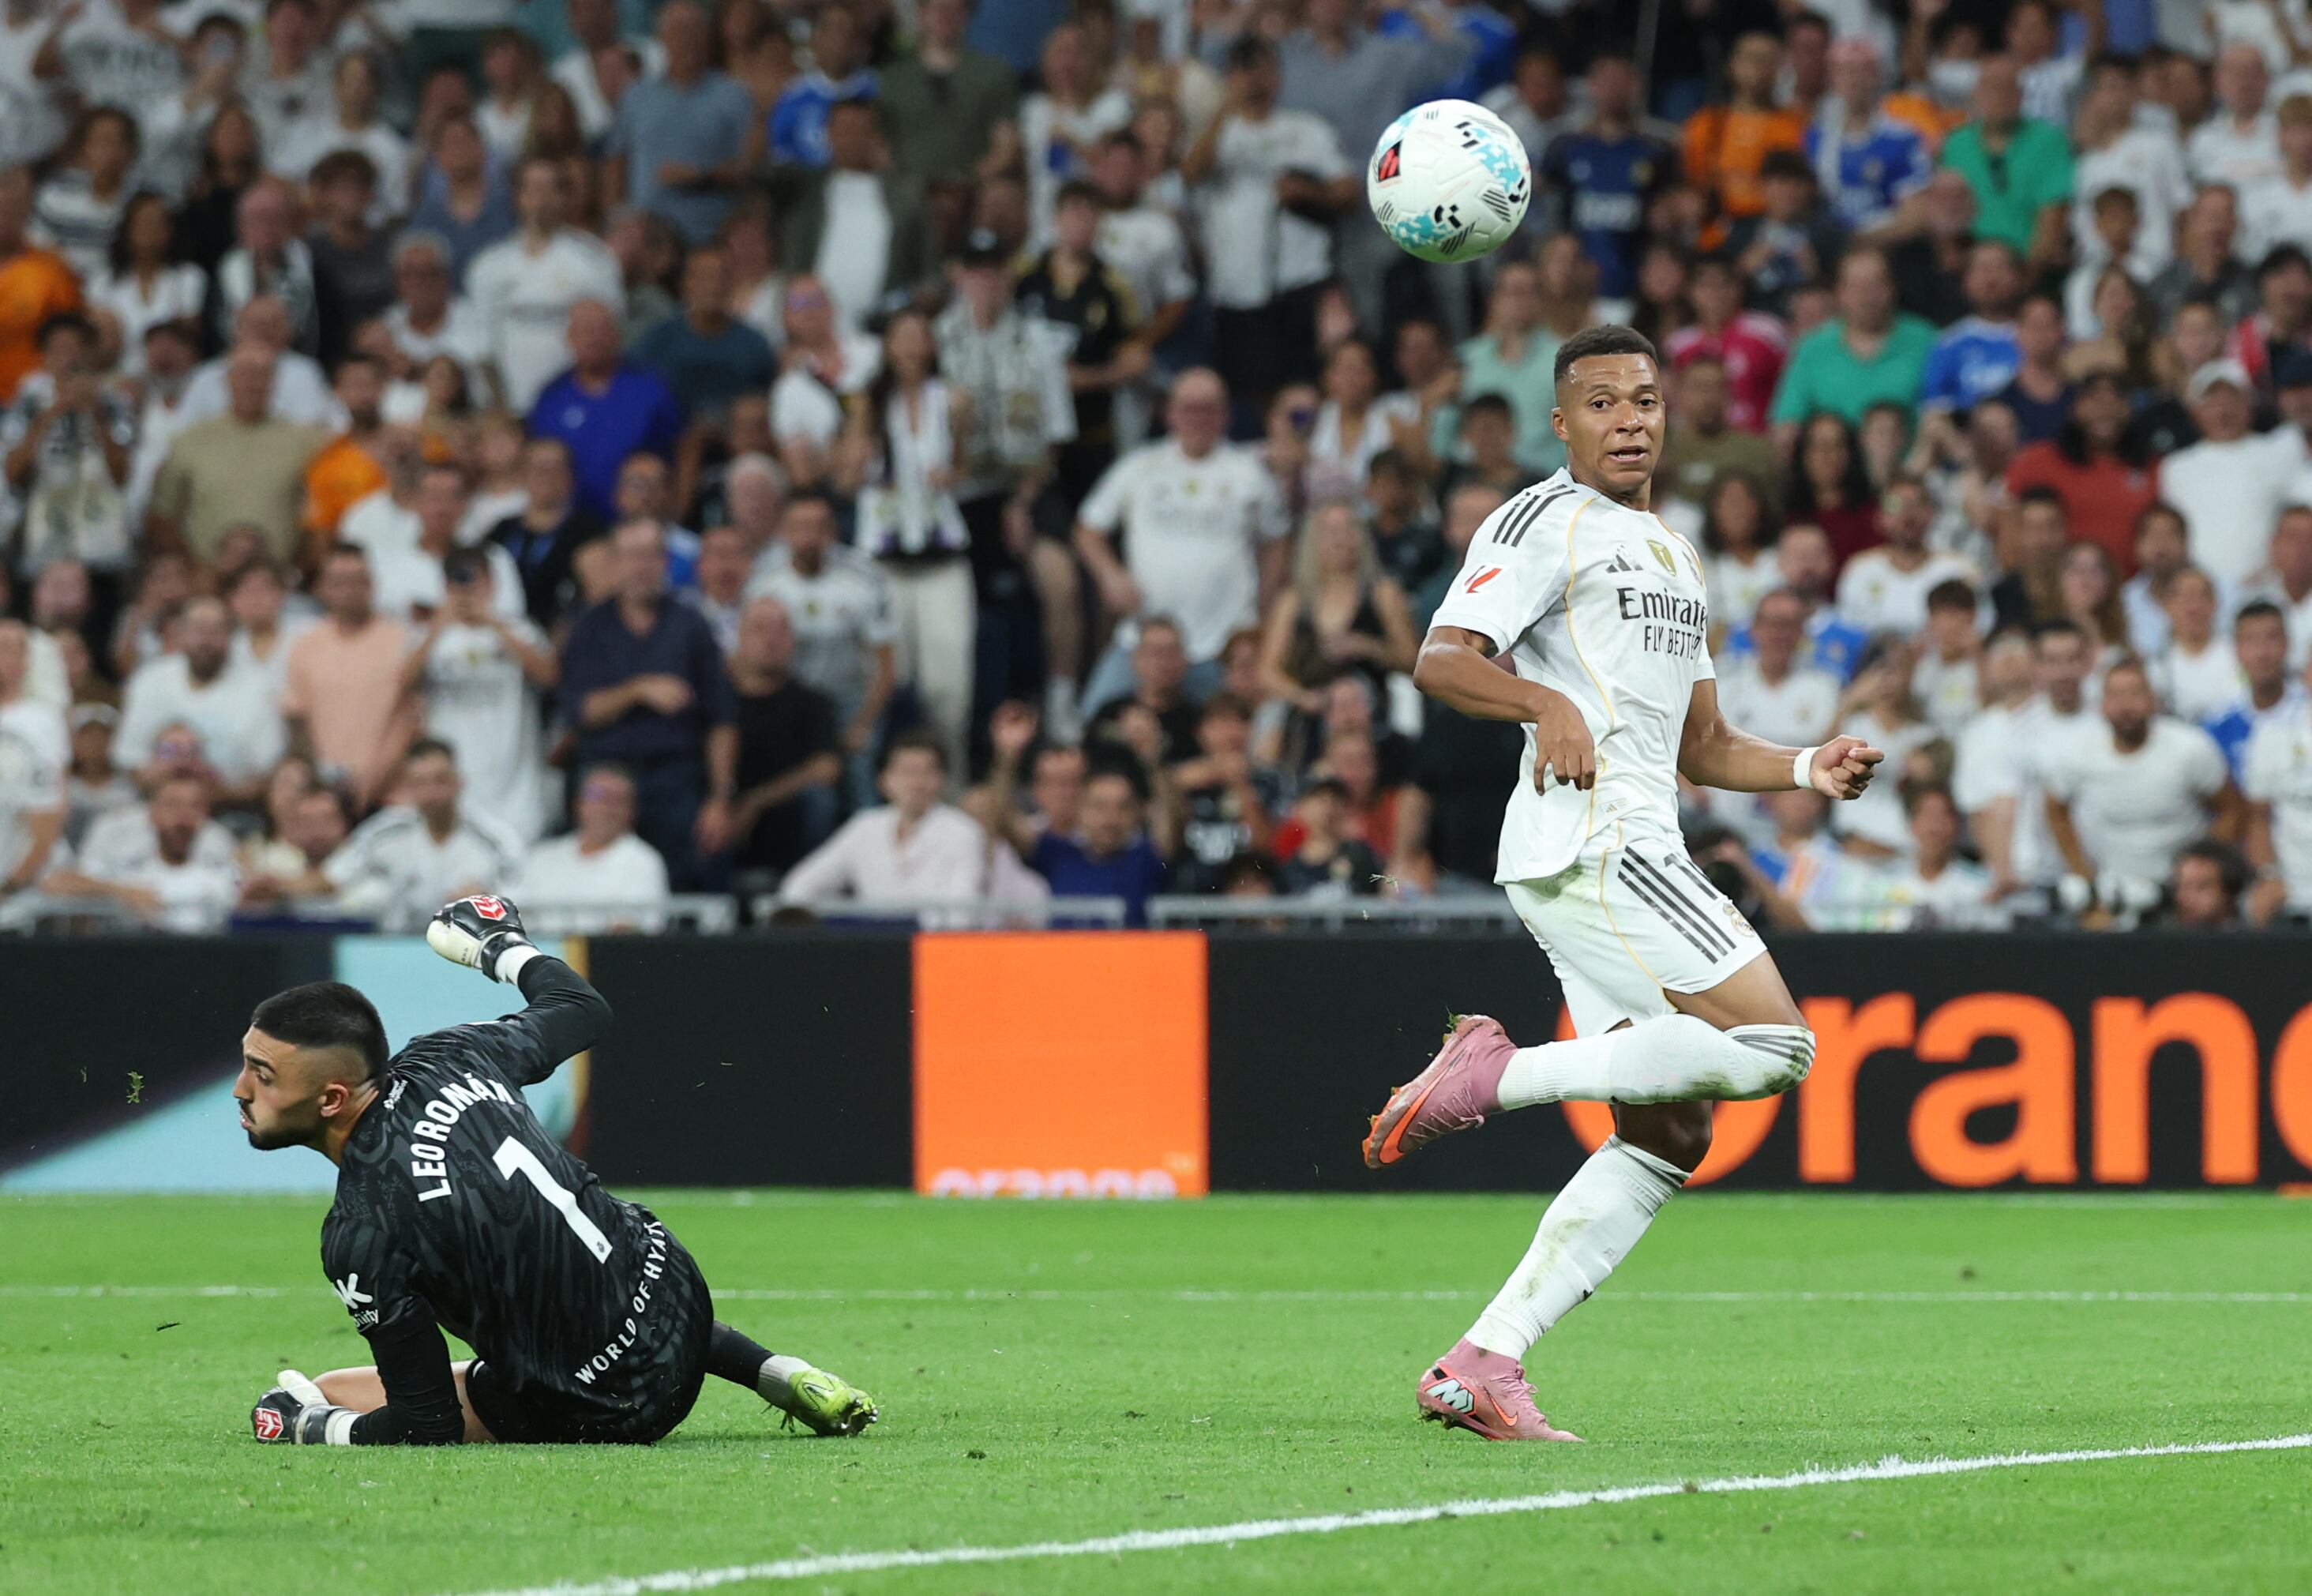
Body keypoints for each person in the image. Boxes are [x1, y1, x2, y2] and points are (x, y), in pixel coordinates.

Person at [1361, 325, 1882, 1441]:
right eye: (1602, 403)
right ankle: (1496, 1073)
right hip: (1601, 842)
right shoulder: (1543, 520)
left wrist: (1804, 766)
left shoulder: (1674, 555)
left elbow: (1704, 746)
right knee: (1781, 1048)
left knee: (1671, 1133)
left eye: (1644, 399)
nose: (1631, 419)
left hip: (1629, 837)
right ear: (1564, 423)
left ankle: (1481, 1361)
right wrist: (1541, 703)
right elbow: (1443, 659)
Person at [237, 895, 876, 1446]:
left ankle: (317, 1409)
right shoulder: (450, 1054)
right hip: (678, 1294)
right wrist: (500, 946)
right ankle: (781, 1371)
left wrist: (310, 1425)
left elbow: (424, 1422)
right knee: (593, 1264)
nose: (240, 1089)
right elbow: (584, 1007)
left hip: (613, 1409)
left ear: (331, 1099)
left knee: (327, 1390)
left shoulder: (361, 1230)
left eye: (261, 1075)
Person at [1075, 368, 1290, 713]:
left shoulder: (1249, 474)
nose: (1198, 418)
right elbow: (1088, 528)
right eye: (1189, 408)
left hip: (1223, 645)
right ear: (1169, 413)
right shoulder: (1140, 466)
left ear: (1225, 415)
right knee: (1094, 720)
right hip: (1141, 642)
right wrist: (1110, 576)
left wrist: (1263, 612)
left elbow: (1277, 542)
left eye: (1209, 408)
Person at [557, 520, 738, 891]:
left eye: (651, 556)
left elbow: (722, 719)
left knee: (704, 857)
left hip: (677, 774)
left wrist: (720, 798)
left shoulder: (691, 625)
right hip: (603, 775)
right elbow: (581, 712)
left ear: (666, 563)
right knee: (592, 872)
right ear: (615, 563)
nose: (642, 567)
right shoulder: (589, 627)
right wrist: (638, 690)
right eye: (632, 556)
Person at [1181, 36, 1352, 407]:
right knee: (1252, 395)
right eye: (1243, 71)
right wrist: (1226, 108)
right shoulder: (1218, 136)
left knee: (1307, 386)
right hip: (1237, 287)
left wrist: (1308, 193)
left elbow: (1349, 192)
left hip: (1301, 279)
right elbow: (1190, 175)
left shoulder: (1306, 130)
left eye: (1261, 70)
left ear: (1277, 74)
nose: (1253, 81)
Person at [2044, 658, 2237, 895]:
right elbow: (2055, 809)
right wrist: (2084, 875)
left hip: (2180, 892)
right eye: (2115, 695)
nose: (2125, 706)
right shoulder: (2079, 753)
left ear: (2153, 700)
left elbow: (2233, 810)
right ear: (2101, 705)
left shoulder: (2191, 748)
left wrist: (2200, 869)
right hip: (2110, 889)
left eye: (2135, 694)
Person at [745, 492, 895, 791]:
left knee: (861, 786)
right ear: (783, 532)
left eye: (819, 527)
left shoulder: (864, 578)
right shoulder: (763, 581)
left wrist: (864, 723)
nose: (810, 537)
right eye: (800, 527)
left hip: (853, 699)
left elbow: (886, 665)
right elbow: (749, 654)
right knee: (809, 795)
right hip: (791, 701)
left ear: (833, 533)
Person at [779, 731, 1012, 903]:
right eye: (907, 772)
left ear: (941, 780)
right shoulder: (865, 827)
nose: (917, 783)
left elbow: (964, 911)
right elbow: (800, 887)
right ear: (885, 781)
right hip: (872, 950)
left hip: (934, 954)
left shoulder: (964, 832)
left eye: (927, 772)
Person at [467, 158, 623, 413]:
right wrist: (499, 411)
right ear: (518, 197)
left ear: (564, 197)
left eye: (550, 189)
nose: (541, 199)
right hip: (509, 406)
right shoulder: (489, 266)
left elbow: (610, 336)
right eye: (533, 189)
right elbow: (482, 347)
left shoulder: (595, 261)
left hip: (576, 404)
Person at [604, 1, 752, 248]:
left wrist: (702, 175)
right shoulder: (637, 96)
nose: (686, 41)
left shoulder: (733, 95)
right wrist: (615, 215)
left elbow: (750, 168)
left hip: (712, 238)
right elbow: (616, 162)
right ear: (662, 38)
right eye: (677, 32)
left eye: (694, 31)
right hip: (647, 239)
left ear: (707, 37)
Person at [527, 299, 685, 526]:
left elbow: (684, 448)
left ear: (617, 335)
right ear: (569, 337)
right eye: (585, 331)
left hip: (639, 524)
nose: (593, 338)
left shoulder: (651, 390)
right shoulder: (551, 397)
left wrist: (679, 508)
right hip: (570, 529)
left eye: (601, 329)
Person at [282, 543, 415, 808]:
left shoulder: (403, 641)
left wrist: (370, 782)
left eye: (358, 580)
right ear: (321, 588)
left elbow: (411, 719)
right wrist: (321, 783)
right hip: (328, 798)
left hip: (395, 795)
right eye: (339, 581)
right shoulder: (305, 645)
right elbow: (298, 721)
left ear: (372, 585)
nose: (349, 590)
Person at [728, 594, 842, 877]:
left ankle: (807, 901)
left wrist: (754, 804)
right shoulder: (716, 699)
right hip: (723, 810)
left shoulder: (814, 703)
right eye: (760, 629)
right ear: (739, 637)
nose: (771, 639)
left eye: (781, 630)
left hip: (786, 816)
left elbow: (826, 770)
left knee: (820, 801)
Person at [42, 769, 239, 930]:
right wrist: (122, 892)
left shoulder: (220, 864)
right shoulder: (129, 868)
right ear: (153, 813)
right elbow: (57, 883)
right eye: (173, 805)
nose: (184, 817)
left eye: (195, 806)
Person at [514, 765, 670, 933]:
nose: (606, 807)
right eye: (597, 796)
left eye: (617, 799)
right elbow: (512, 912)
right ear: (578, 803)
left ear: (632, 809)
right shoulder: (542, 857)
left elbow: (629, 934)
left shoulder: (644, 862)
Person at [1021, 761, 1169, 924]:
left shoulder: (1146, 860)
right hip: (1063, 949)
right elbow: (1005, 825)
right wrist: (1007, 761)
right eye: (1100, 807)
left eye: (1123, 807)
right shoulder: (1057, 855)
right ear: (1080, 810)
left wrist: (1154, 761)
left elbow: (1171, 826)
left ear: (1137, 813)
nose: (1111, 819)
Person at [0, 619, 67, 900]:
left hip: (20, 884)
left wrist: (12, 885)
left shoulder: (43, 721)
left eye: (8, 649)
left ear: (25, 661)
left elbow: (50, 810)